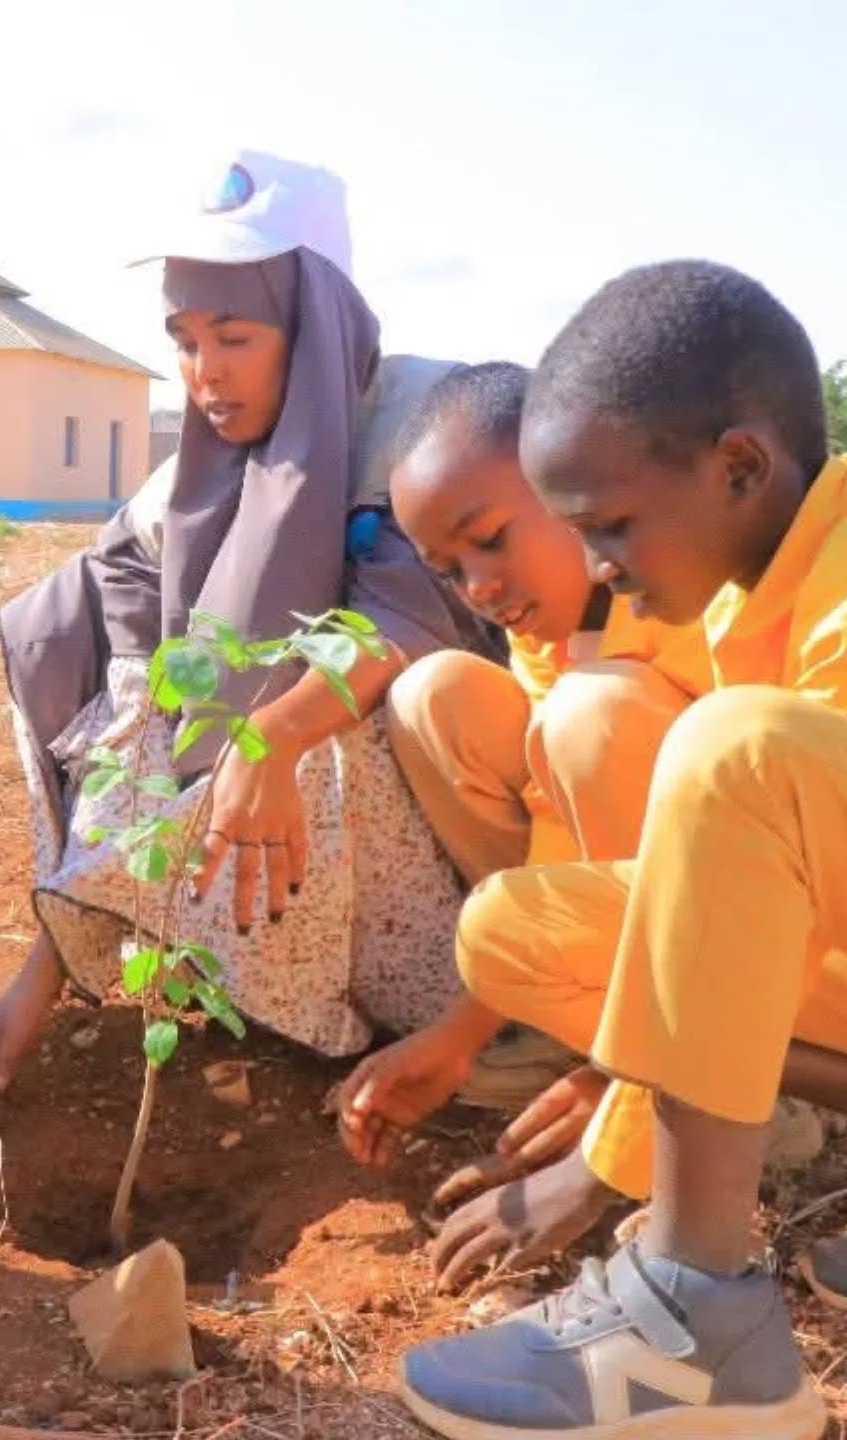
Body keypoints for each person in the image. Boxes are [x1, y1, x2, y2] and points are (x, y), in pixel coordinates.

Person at [0, 149, 527, 1101]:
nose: (204, 374)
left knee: (397, 699)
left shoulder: (430, 426)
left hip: (491, 828)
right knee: (97, 652)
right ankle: (266, 980)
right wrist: (36, 980)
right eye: (184, 339)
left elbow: (405, 615)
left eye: (236, 336)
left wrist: (272, 738)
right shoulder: (185, 491)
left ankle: (495, 1008)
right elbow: (125, 742)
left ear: (314, 320)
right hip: (281, 847)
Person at [400, 260, 847, 1440]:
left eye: (608, 526)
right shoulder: (723, 599)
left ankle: (697, 1309)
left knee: (736, 747)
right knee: (512, 928)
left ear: (740, 468)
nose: (596, 565)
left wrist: (605, 1157)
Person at [337, 361, 709, 1170]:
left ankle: (715, 1075)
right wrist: (461, 1034)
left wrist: (632, 1070)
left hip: (747, 939)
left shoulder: (695, 589)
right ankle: (568, 1015)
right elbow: (558, 825)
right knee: (435, 695)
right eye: (450, 570)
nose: (481, 586)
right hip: (629, 905)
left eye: (491, 538)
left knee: (593, 714)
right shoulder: (549, 631)